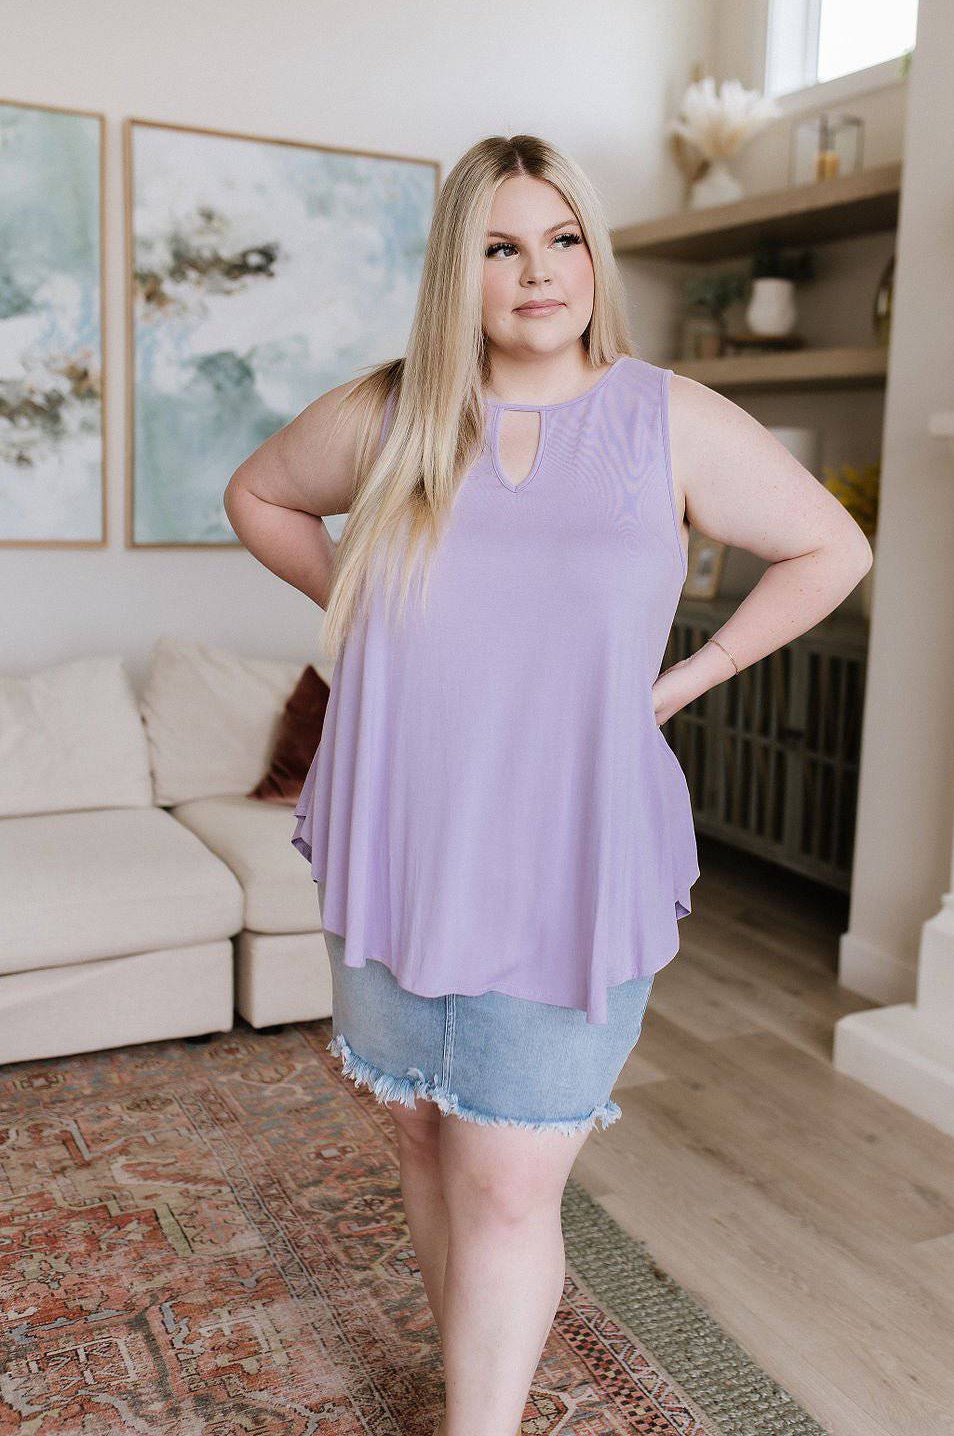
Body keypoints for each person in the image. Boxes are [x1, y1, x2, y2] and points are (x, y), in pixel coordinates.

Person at [223, 133, 872, 1436]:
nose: (538, 272)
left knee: (512, 1181)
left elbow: (829, 547)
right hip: (406, 838)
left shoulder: (667, 418)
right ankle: (476, 1379)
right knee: (428, 1138)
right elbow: (260, 495)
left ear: (595, 255)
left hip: (572, 847)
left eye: (563, 239)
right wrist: (364, 607)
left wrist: (686, 682)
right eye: (501, 246)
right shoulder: (395, 412)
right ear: (456, 272)